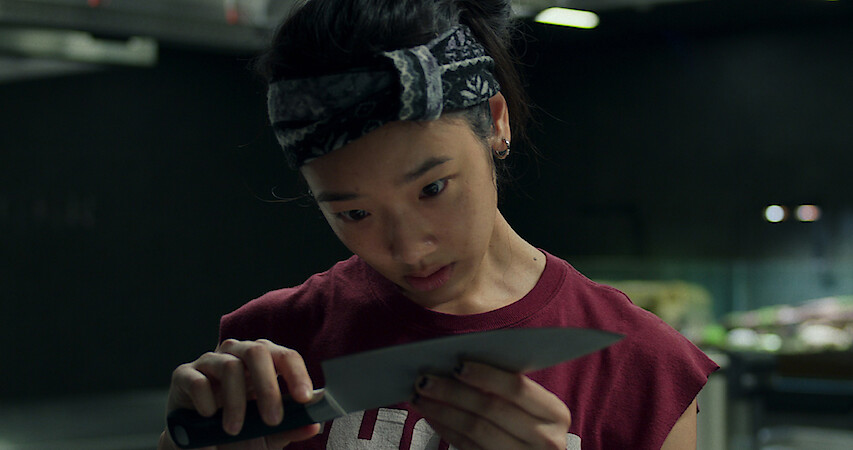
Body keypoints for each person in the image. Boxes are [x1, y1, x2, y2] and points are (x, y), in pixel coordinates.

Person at [158, 0, 718, 449]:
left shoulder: (642, 368)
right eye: (354, 213)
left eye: (432, 188)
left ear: (495, 122)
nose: (408, 248)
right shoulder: (275, 346)